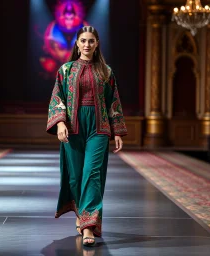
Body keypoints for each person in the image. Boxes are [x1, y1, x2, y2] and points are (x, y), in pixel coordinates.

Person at [46, 25, 127, 247]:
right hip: (73, 127)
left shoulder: (106, 72)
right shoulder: (66, 70)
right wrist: (60, 122)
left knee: (92, 173)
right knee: (75, 175)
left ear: (97, 43)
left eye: (91, 41)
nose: (87, 45)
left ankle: (88, 226)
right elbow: (57, 98)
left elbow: (114, 102)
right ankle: (81, 215)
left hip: (98, 128)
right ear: (77, 43)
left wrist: (117, 130)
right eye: (83, 40)